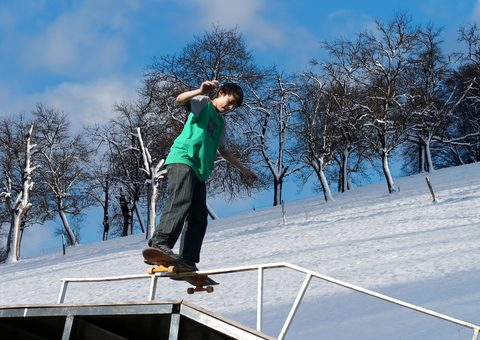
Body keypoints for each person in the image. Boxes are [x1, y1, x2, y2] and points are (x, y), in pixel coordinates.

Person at [148, 79, 257, 271]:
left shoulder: (220, 123)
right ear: (221, 93)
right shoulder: (203, 103)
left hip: (200, 170)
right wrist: (199, 90)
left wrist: (244, 170)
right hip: (183, 158)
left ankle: (187, 259)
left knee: (199, 216)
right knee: (181, 200)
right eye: (229, 102)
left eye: (233, 106)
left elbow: (224, 151)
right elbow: (179, 99)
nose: (229, 108)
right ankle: (160, 242)